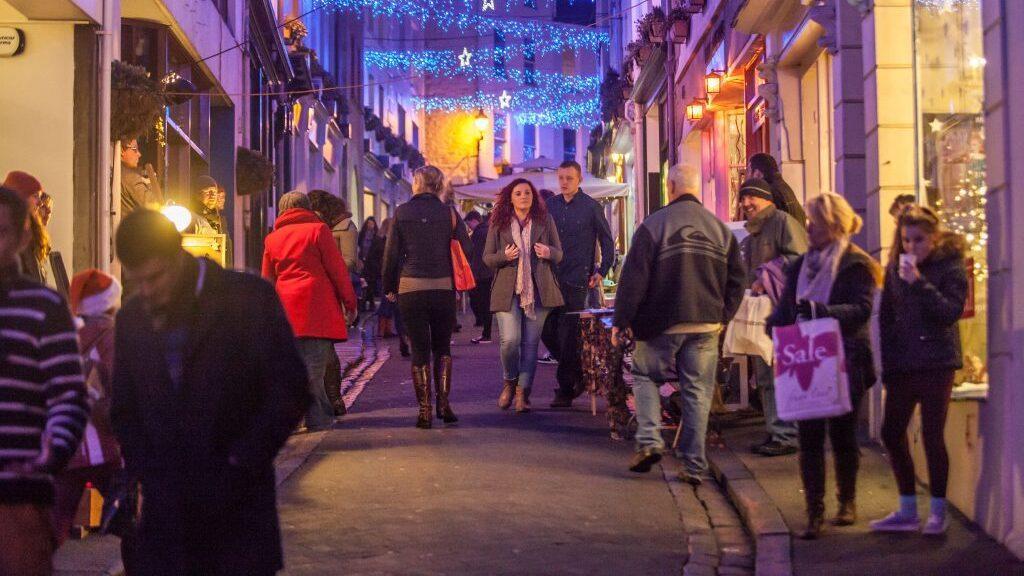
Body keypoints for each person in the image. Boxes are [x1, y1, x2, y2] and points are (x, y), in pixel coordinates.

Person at [110, 209, 310, 575]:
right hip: (164, 521)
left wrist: (242, 460)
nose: (147, 292)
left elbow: (290, 389)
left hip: (236, 514)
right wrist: (146, 470)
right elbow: (125, 407)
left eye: (154, 278)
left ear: (178, 256)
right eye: (137, 282)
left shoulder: (247, 299)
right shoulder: (132, 319)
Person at [612, 164, 745, 482]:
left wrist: (622, 321)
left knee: (645, 375)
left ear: (670, 187)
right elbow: (738, 280)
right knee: (697, 391)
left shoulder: (653, 225)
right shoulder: (720, 229)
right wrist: (722, 315)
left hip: (662, 321)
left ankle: (649, 441)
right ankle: (693, 465)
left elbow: (633, 280)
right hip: (706, 323)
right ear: (696, 188)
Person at [768, 192, 880, 539]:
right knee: (810, 438)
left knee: (844, 435)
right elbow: (787, 308)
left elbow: (862, 308)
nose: (809, 226)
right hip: (807, 362)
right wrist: (773, 324)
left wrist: (824, 313)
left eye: (815, 221)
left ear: (833, 224)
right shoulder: (800, 266)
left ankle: (847, 501)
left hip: (846, 358)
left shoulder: (855, 263)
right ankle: (814, 511)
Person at [0, 186, 88, 576]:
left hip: (19, 496)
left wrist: (50, 454)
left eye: (1, 232)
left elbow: (69, 395)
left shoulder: (44, 306)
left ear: (21, 236)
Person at [871, 205, 968, 536]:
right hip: (904, 365)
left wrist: (920, 283)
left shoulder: (950, 266)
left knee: (931, 434)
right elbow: (885, 321)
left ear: (934, 238)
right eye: (906, 240)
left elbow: (949, 312)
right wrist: (887, 367)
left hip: (936, 362)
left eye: (918, 240)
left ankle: (938, 511)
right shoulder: (895, 270)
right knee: (891, 431)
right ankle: (908, 508)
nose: (912, 247)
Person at [382, 165, 472, 428]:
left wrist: (389, 287)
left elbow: (391, 255)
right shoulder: (450, 214)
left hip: (410, 289)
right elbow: (466, 249)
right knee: (442, 347)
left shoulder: (401, 213)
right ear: (440, 185)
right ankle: (444, 405)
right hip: (443, 288)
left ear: (417, 183)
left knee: (419, 348)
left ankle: (424, 410)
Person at [263, 191, 358, 431]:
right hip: (317, 309)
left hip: (286, 312)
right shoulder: (318, 231)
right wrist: (350, 303)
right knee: (315, 371)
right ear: (307, 208)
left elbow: (267, 280)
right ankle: (317, 419)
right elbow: (337, 270)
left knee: (294, 369)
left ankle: (299, 419)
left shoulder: (273, 238)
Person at [52, 270, 130, 558]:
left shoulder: (64, 336)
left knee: (56, 524)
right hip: (106, 446)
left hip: (67, 446)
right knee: (132, 521)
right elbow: (120, 386)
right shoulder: (112, 336)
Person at [737, 178, 808, 457]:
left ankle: (786, 434)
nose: (745, 204)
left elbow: (800, 260)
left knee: (779, 374)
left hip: (783, 315)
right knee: (766, 375)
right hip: (764, 316)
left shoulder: (782, 223)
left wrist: (765, 276)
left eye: (751, 197)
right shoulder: (754, 232)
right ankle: (777, 429)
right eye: (742, 199)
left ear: (767, 198)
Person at [483, 178, 564, 413]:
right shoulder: (498, 223)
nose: (523, 197)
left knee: (530, 345)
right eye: (518, 193)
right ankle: (509, 382)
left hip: (539, 291)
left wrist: (549, 252)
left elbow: (559, 254)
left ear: (533, 197)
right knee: (510, 341)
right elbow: (487, 258)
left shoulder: (545, 220)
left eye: (527, 192)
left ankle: (522, 393)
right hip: (508, 290)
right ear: (510, 197)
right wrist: (503, 257)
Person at [546, 160, 615, 408]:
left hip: (577, 279)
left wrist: (602, 269)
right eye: (561, 178)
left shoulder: (591, 207)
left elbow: (608, 242)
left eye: (569, 178)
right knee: (546, 330)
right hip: (549, 278)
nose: (564, 182)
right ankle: (576, 374)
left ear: (579, 180)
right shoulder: (550, 206)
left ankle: (566, 387)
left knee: (568, 333)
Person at [3, 170, 50, 285]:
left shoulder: (27, 231)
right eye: (35, 196)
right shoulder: (17, 235)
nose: (40, 203)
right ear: (21, 198)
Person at [374, 217, 410, 356]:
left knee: (397, 310)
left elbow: (388, 262)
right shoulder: (399, 241)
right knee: (398, 309)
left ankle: (401, 335)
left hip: (393, 278)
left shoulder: (385, 240)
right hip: (403, 277)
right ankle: (402, 335)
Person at [747, 153, 806, 227]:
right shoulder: (784, 188)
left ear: (758, 173)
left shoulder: (767, 194)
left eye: (749, 171)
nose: (748, 176)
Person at [467, 212, 495, 344]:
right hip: (489, 271)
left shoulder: (478, 233)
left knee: (483, 303)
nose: (469, 227)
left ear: (474, 221)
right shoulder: (487, 230)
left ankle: (486, 334)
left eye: (468, 223)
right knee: (486, 302)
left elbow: (477, 256)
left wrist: (473, 274)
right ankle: (486, 332)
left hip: (481, 274)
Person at [120, 138, 163, 215]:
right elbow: (155, 207)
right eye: (135, 149)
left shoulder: (114, 174)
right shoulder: (130, 177)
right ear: (122, 150)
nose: (139, 154)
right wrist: (150, 184)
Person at [358, 217, 380, 311]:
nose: (370, 225)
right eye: (368, 223)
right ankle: (367, 303)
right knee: (364, 283)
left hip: (372, 264)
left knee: (370, 283)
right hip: (362, 263)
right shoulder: (361, 235)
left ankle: (368, 303)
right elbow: (358, 248)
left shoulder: (377, 236)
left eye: (372, 223)